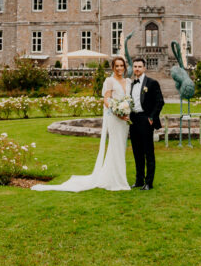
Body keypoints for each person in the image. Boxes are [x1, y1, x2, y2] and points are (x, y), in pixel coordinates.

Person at [31, 57, 130, 192]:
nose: (119, 68)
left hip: (125, 120)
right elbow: (106, 100)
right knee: (115, 146)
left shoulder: (128, 81)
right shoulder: (110, 81)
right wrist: (116, 111)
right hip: (115, 117)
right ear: (113, 67)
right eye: (117, 66)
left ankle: (116, 176)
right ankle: (116, 180)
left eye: (121, 66)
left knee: (121, 146)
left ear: (125, 67)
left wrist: (126, 109)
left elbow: (129, 99)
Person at [128, 57, 164, 190]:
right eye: (135, 66)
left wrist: (151, 117)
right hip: (133, 120)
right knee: (137, 152)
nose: (137, 69)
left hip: (145, 120)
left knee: (148, 152)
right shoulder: (131, 84)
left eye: (139, 66)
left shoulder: (152, 83)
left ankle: (149, 182)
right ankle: (139, 180)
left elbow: (160, 101)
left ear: (144, 68)